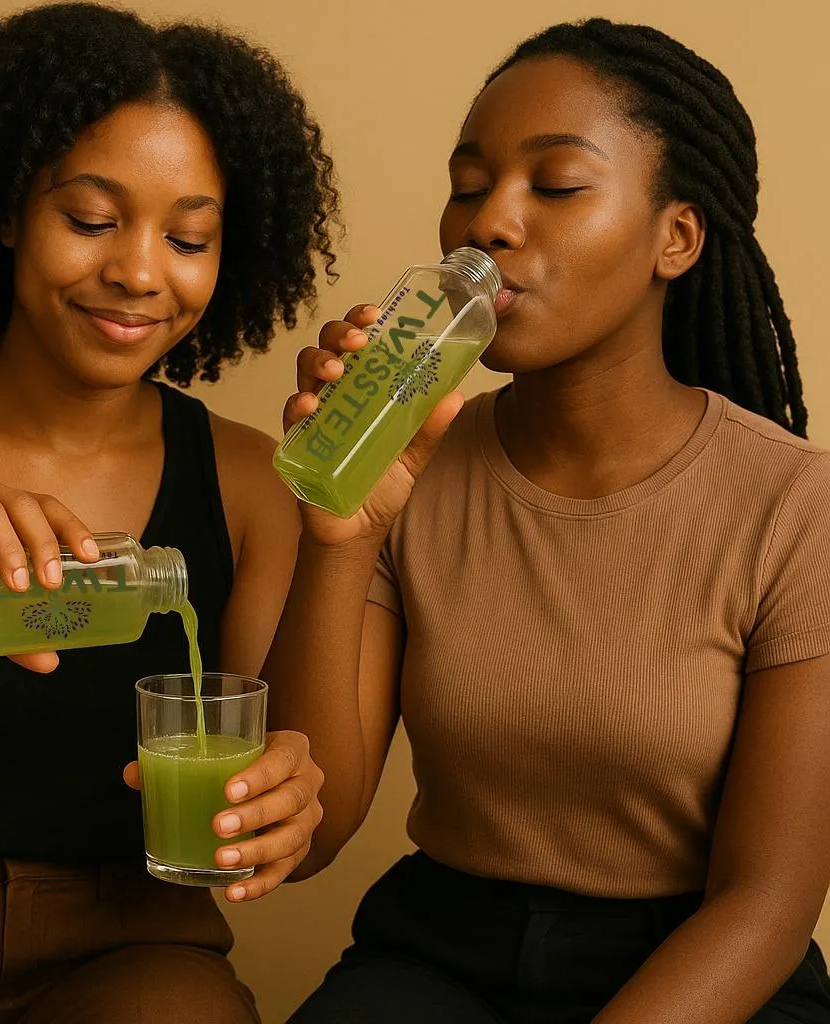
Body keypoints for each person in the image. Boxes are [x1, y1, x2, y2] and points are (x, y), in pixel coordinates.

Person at [268, 17, 830, 1024]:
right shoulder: (414, 466)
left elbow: (770, 898)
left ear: (676, 237)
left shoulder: (796, 505)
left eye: (556, 184)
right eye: (469, 184)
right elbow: (305, 836)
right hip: (443, 953)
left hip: (700, 964)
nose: (490, 222)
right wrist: (337, 531)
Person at [0, 4, 336, 1022]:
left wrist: (286, 790)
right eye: (91, 219)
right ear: (7, 208)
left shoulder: (251, 482)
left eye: (188, 237)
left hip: (141, 935)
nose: (138, 271)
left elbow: (303, 789)